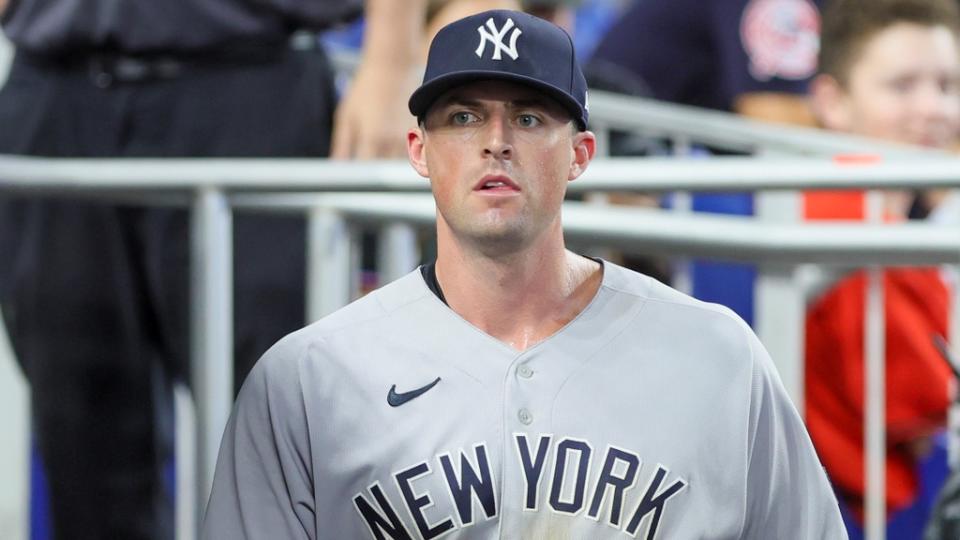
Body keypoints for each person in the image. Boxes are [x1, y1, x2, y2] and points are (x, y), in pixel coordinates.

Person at [203, 10, 847, 539]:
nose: (496, 140)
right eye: (463, 117)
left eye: (531, 118)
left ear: (581, 154)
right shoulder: (308, 378)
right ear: (419, 151)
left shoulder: (718, 355)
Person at [0, 0, 500, 538]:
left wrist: (390, 54)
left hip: (249, 87)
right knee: (80, 438)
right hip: (55, 86)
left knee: (287, 433)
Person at [804, 0, 960, 529]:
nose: (933, 109)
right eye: (902, 86)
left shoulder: (894, 223)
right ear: (833, 101)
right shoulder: (844, 223)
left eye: (947, 85)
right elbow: (928, 401)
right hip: (855, 512)